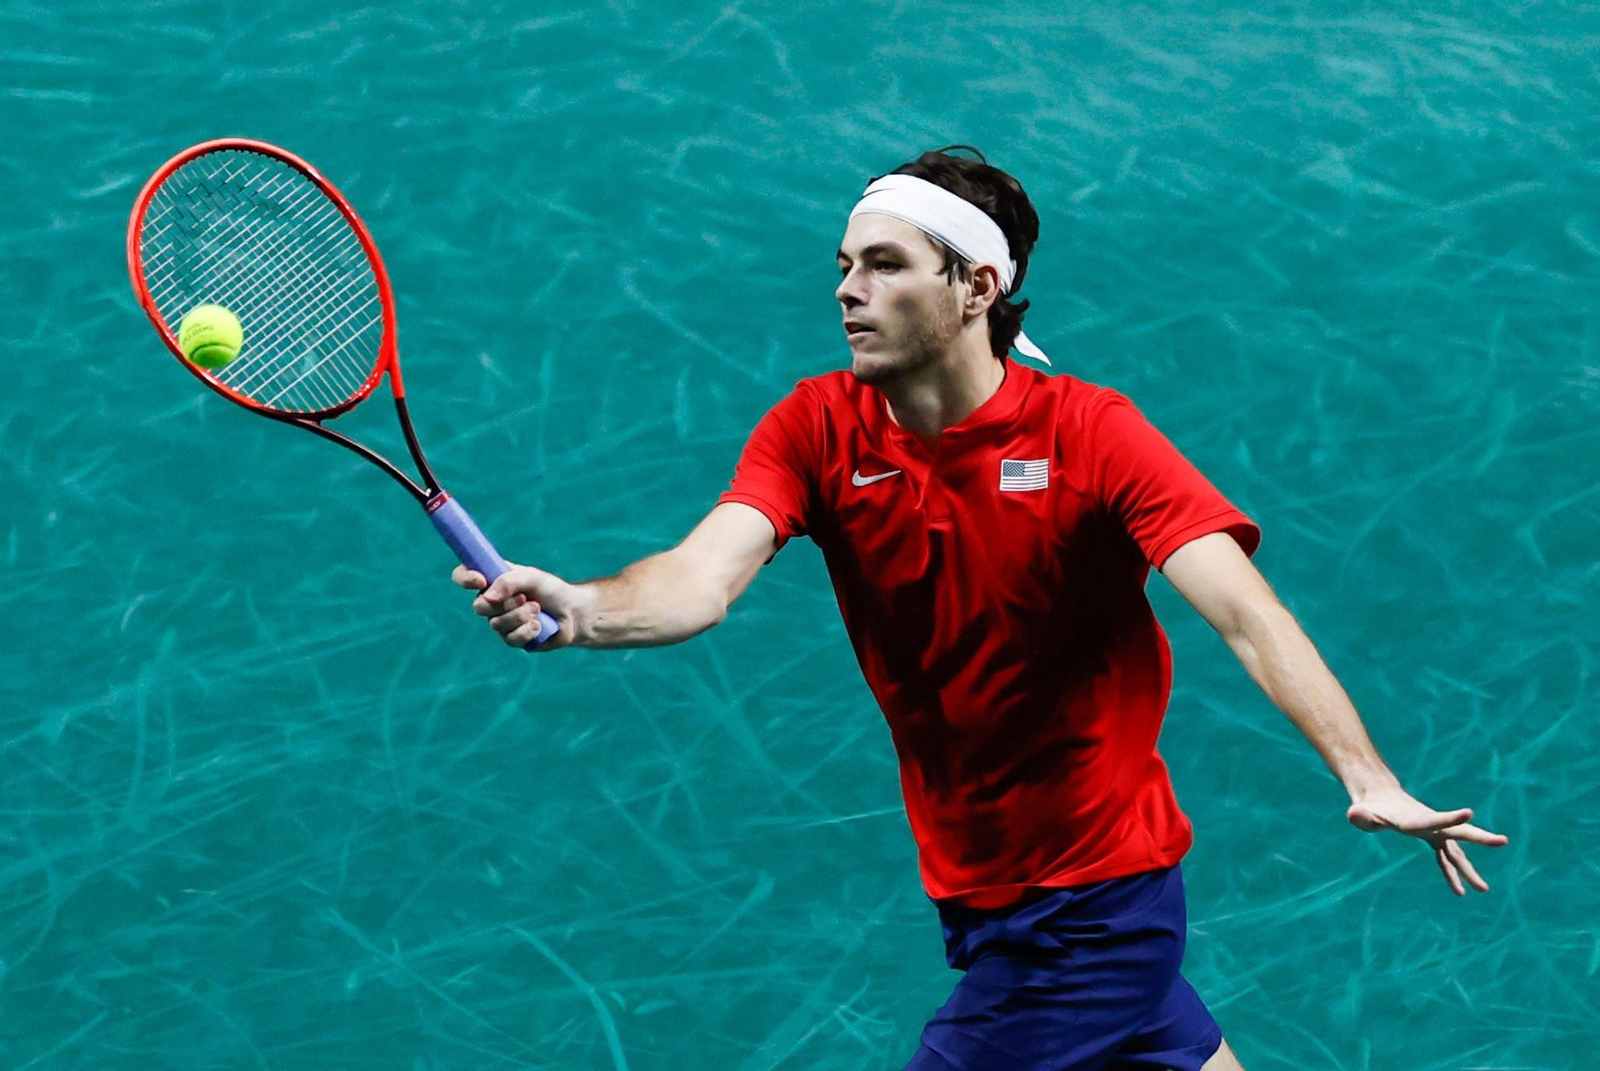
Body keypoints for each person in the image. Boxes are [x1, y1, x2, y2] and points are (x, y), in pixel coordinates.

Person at [452, 147, 1507, 1071]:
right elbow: (697, 579)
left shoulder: (1091, 436)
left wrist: (1367, 775)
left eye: (884, 264)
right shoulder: (817, 428)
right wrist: (584, 610)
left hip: (1092, 900)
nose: (846, 291)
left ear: (976, 286)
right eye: (843, 265)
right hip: (981, 886)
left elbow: (1242, 610)